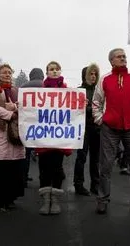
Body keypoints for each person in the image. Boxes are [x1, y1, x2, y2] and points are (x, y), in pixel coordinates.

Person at [92, 48, 130, 215]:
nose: (123, 59)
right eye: (119, 57)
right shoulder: (104, 79)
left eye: (124, 56)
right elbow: (96, 102)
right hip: (110, 129)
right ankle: (102, 199)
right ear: (112, 61)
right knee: (105, 166)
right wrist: (100, 120)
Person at [36, 61, 73, 215]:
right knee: (44, 169)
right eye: (52, 69)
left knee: (57, 169)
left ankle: (55, 199)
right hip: (44, 137)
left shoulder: (67, 91)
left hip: (59, 137)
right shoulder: (40, 91)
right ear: (47, 72)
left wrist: (81, 104)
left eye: (57, 69)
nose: (55, 71)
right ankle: (46, 199)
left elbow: (73, 109)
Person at [0, 64, 25, 212]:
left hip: (15, 133)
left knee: (14, 168)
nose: (7, 74)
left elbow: (23, 106)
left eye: (10, 72)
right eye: (4, 72)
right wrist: (10, 113)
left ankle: (10, 199)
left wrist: (15, 108)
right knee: (0, 168)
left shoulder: (16, 91)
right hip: (0, 132)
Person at [73, 64, 100, 196]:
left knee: (96, 158)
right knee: (81, 157)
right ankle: (78, 184)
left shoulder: (100, 90)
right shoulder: (79, 91)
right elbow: (74, 111)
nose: (93, 76)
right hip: (83, 129)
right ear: (85, 75)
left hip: (97, 128)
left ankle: (95, 185)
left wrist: (89, 109)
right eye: (91, 74)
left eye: (95, 74)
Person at [20, 67, 45, 188]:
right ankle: (43, 180)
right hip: (43, 124)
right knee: (43, 153)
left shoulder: (24, 87)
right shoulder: (46, 86)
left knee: (26, 153)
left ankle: (23, 178)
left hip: (28, 123)